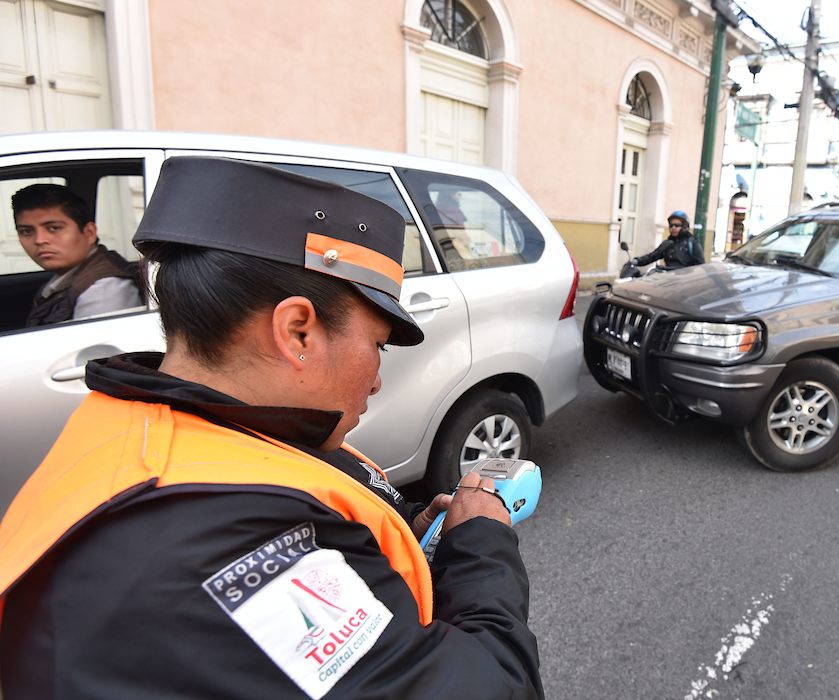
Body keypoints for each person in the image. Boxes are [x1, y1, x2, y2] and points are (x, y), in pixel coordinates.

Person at [0, 158, 542, 699]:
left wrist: (403, 535)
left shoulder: (139, 423)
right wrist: (482, 543)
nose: (376, 382)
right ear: (297, 331)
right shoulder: (235, 545)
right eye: (377, 345)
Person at [13, 183, 142, 326]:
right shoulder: (69, 276)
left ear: (89, 233)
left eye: (54, 228)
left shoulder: (105, 289)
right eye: (26, 231)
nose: (39, 240)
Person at [633, 209, 704, 270]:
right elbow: (652, 256)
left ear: (685, 227)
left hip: (685, 282)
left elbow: (701, 265)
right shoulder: (667, 244)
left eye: (677, 225)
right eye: (671, 225)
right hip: (668, 280)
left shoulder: (692, 242)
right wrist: (637, 261)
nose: (673, 228)